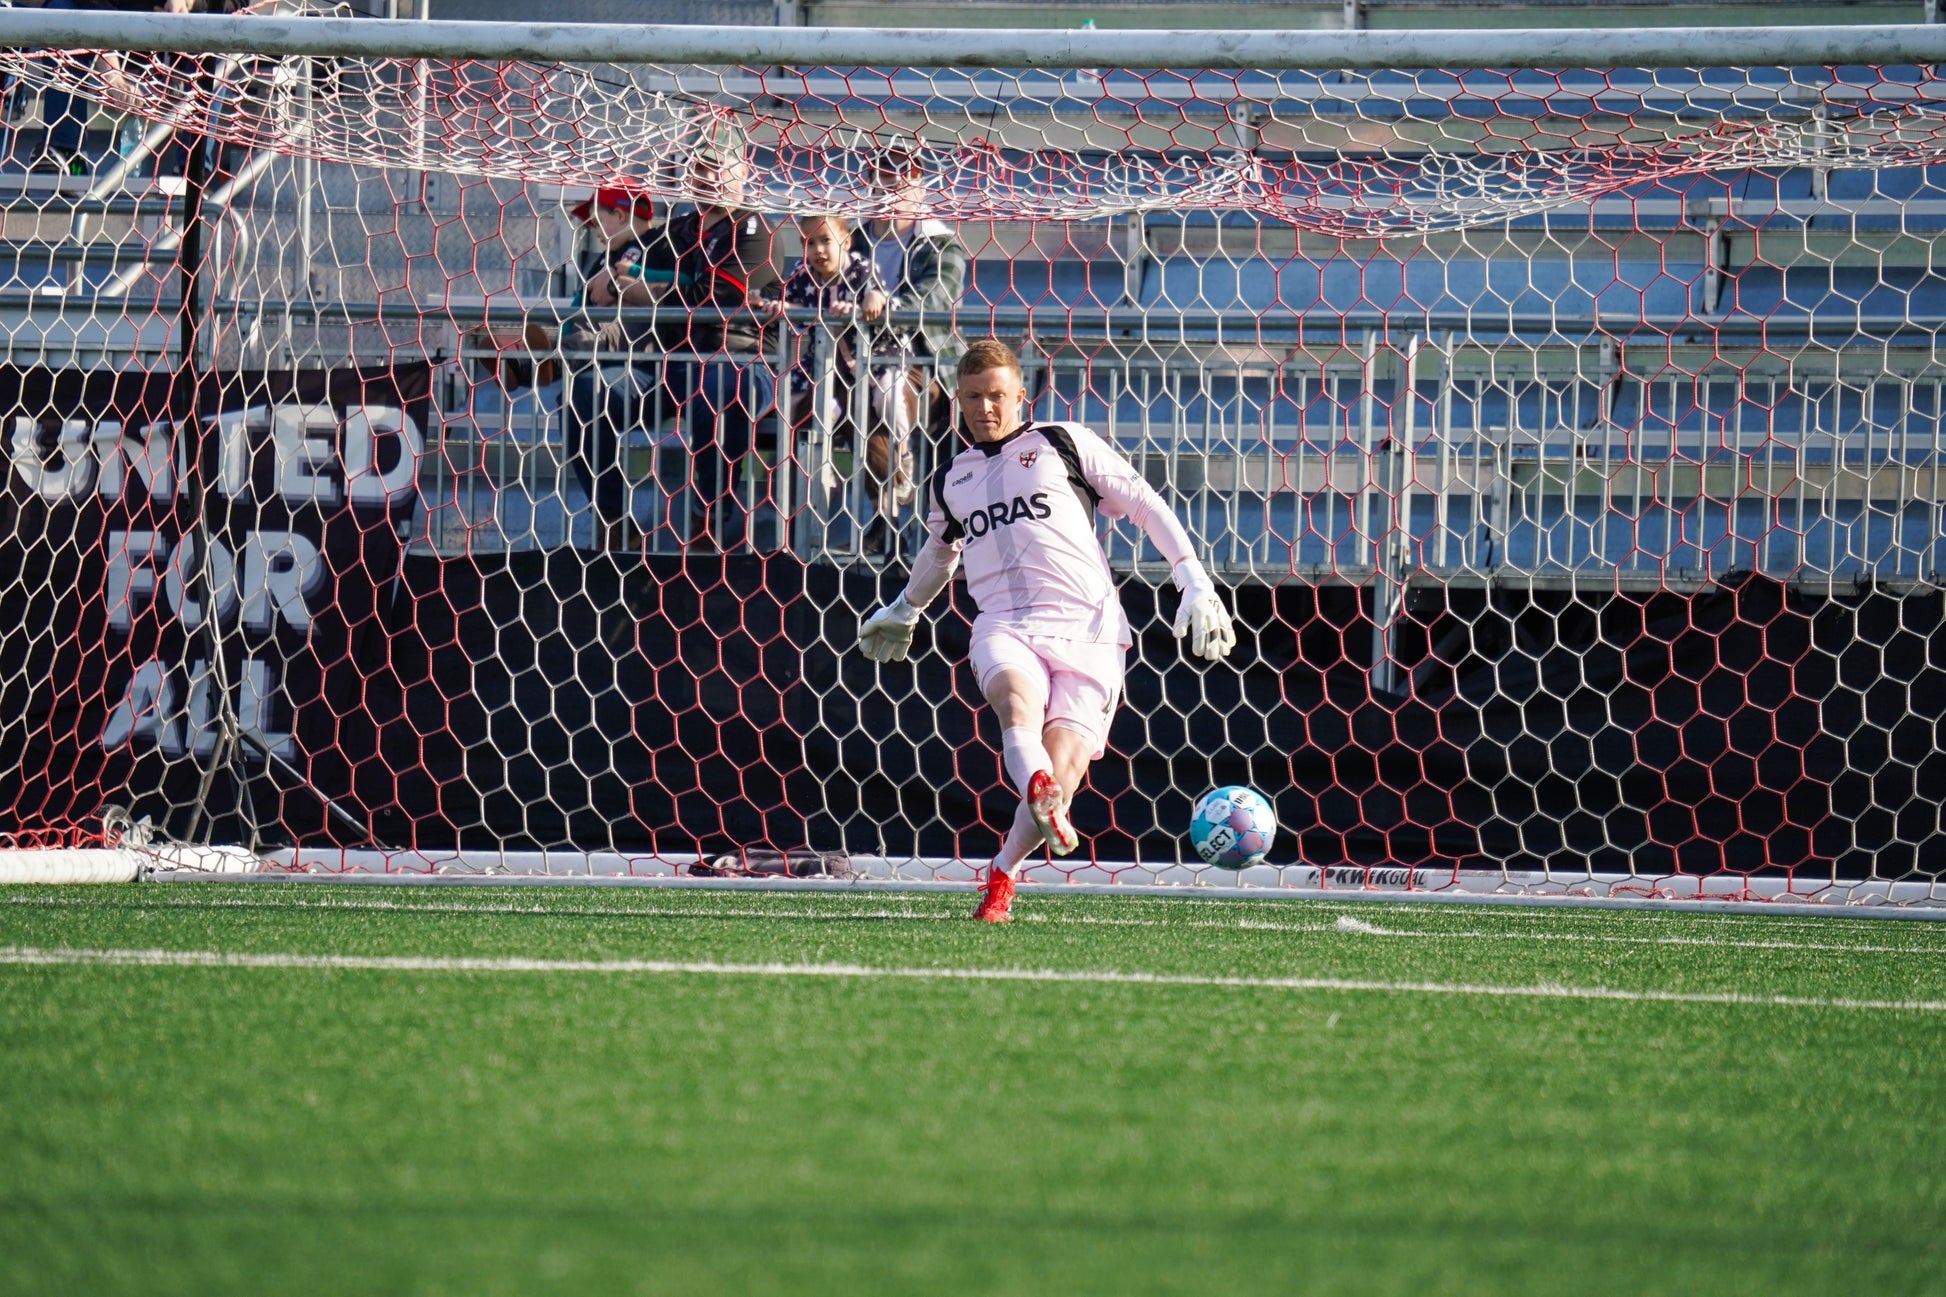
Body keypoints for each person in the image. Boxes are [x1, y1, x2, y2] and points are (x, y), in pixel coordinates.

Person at [855, 340, 1237, 923]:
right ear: (958, 400)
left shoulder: (1062, 442)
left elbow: (1144, 503)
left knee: (1066, 772)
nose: (986, 408)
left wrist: (1194, 581)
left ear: (1019, 396)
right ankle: (1035, 782)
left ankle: (1003, 870)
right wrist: (906, 608)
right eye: (974, 397)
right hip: (1004, 625)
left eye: (997, 396)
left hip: (1090, 629)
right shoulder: (951, 479)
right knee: (1016, 704)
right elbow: (940, 554)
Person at [650, 124, 780, 550]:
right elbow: (627, 266)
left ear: (743, 171)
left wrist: (643, 287)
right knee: (593, 392)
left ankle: (709, 514)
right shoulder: (676, 230)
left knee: (719, 387)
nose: (706, 176)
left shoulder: (757, 229)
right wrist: (624, 278)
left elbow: (714, 299)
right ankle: (612, 520)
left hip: (744, 361)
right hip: (673, 362)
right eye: (699, 167)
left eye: (716, 167)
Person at [752, 212, 917, 542]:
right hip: (828, 367)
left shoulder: (860, 269)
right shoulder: (804, 275)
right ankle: (807, 504)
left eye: (826, 240)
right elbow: (789, 301)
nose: (818, 250)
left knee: (885, 402)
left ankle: (902, 460)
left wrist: (871, 301)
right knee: (804, 413)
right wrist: (771, 304)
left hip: (877, 361)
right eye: (809, 243)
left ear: (846, 241)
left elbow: (878, 297)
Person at [851, 142, 969, 550]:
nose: (889, 190)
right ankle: (886, 515)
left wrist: (885, 307)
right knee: (851, 402)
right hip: (858, 359)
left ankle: (902, 519)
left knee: (885, 394)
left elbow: (935, 296)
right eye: (881, 180)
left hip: (925, 361)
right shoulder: (851, 241)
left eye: (899, 182)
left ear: (920, 188)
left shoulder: (941, 243)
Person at [558, 186, 661, 553]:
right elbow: (579, 311)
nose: (594, 230)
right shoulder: (601, 259)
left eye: (596, 220)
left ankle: (542, 360)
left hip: (653, 366)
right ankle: (615, 521)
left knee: (586, 388)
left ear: (620, 215)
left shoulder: (662, 246)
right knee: (575, 404)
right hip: (604, 363)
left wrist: (621, 284)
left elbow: (665, 300)